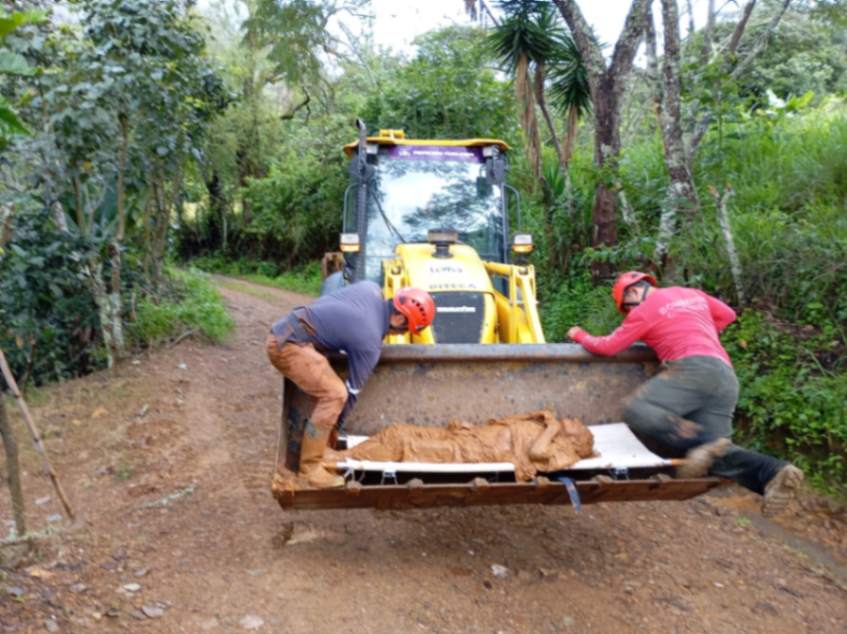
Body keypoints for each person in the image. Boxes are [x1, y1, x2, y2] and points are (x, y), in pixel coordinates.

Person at [567, 271, 804, 516]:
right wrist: (693, 330)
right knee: (718, 458)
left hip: (691, 370)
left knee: (637, 409)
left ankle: (703, 442)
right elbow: (728, 315)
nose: (629, 314)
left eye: (627, 308)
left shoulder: (645, 311)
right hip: (724, 376)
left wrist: (579, 334)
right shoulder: (693, 294)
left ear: (633, 292)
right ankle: (773, 472)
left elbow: (608, 346)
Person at [267, 282, 435, 488]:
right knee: (336, 394)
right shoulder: (369, 341)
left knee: (328, 386)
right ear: (399, 318)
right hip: (287, 345)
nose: (397, 334)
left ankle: (312, 447)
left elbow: (328, 305)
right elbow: (351, 392)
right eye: (404, 329)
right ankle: (310, 469)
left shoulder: (370, 289)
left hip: (292, 329)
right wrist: (334, 430)